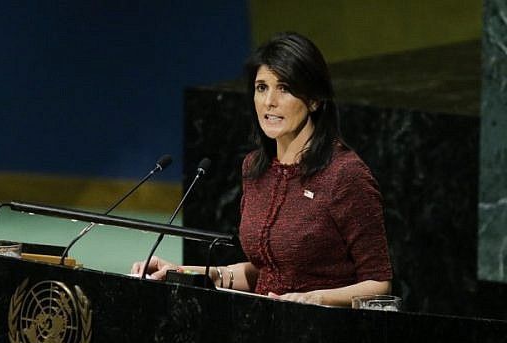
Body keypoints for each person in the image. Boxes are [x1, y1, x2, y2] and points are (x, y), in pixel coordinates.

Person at [131, 32, 393, 307]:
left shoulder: (345, 174)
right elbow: (267, 270)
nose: (269, 102)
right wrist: (183, 272)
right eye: (261, 87)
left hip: (323, 333)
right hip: (264, 327)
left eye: (284, 88)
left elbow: (379, 284)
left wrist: (314, 299)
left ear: (315, 100)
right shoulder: (256, 168)